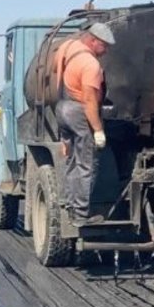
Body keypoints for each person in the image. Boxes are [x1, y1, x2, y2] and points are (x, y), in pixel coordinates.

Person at [53, 21, 114, 225]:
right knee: (87, 163)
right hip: (79, 111)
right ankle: (81, 215)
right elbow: (89, 101)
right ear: (93, 40)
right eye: (104, 46)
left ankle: (71, 206)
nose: (105, 51)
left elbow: (56, 70)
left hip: (62, 108)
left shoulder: (69, 47)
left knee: (71, 161)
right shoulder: (91, 65)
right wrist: (98, 130)